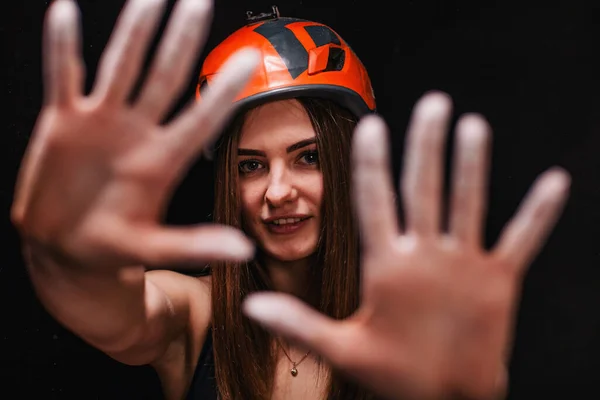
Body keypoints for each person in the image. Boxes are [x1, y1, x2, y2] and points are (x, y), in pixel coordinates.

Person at [11, 0, 571, 399]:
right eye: (251, 166)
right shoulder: (196, 315)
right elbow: (105, 306)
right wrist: (61, 250)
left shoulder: (410, 324)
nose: (278, 192)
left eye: (308, 157)